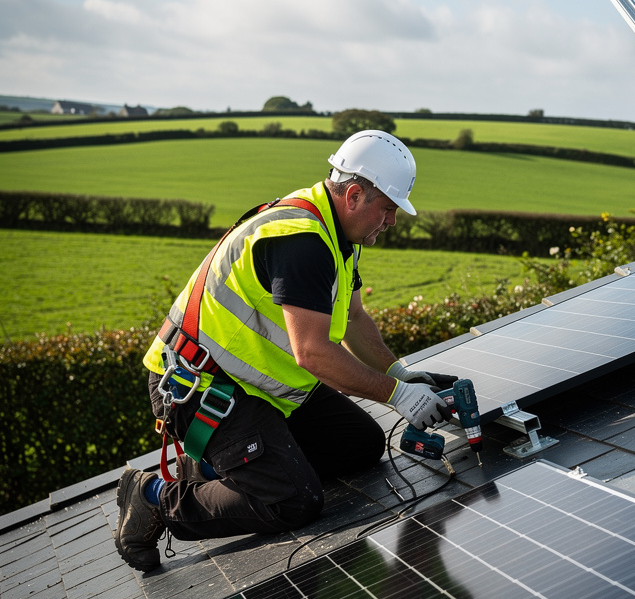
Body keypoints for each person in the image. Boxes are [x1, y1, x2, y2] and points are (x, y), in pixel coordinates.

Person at [115, 130, 459, 572]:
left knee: (361, 445)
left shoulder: (338, 237)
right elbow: (312, 354)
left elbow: (354, 319)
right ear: (355, 195)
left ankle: (231, 466)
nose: (391, 221)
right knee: (294, 500)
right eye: (388, 209)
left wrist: (400, 373)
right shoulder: (301, 242)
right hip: (200, 386)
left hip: (257, 387)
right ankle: (153, 498)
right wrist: (396, 396)